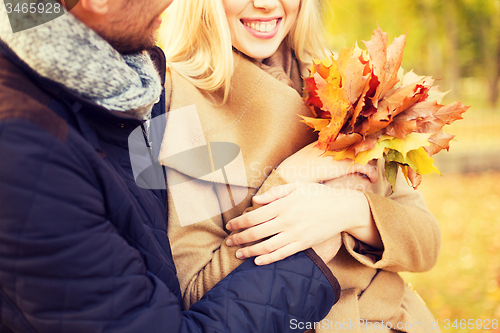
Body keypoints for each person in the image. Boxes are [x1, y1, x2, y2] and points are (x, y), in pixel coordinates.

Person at [0, 0, 343, 331]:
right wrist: (307, 210)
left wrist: (353, 210)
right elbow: (187, 293)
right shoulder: (29, 155)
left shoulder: (124, 92)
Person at [158, 0, 442, 331]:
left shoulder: (348, 81)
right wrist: (291, 177)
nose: (264, 4)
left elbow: (427, 241)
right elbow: (193, 293)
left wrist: (349, 210)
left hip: (401, 319)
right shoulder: (171, 104)